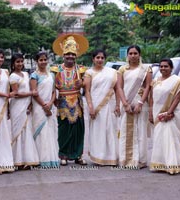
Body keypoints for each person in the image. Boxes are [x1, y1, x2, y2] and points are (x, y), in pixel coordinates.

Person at [149, 58, 180, 174]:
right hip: (157, 112)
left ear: (171, 68)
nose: (163, 68)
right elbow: (152, 98)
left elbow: (177, 98)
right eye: (161, 66)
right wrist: (150, 112)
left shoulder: (177, 81)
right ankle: (160, 164)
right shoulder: (155, 81)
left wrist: (169, 113)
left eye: (166, 66)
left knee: (170, 139)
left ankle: (172, 165)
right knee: (159, 139)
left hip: (170, 114)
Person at [51, 34, 88, 166]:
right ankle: (64, 155)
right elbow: (51, 87)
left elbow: (89, 84)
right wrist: (53, 99)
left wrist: (82, 83)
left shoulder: (82, 70)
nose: (70, 57)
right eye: (68, 54)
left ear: (76, 55)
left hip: (77, 102)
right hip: (62, 102)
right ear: (63, 55)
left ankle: (78, 155)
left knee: (78, 130)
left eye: (73, 54)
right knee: (64, 130)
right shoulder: (56, 69)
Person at [117, 45, 152, 168]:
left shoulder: (146, 69)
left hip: (140, 102)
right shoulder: (122, 69)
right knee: (125, 130)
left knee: (140, 130)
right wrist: (125, 104)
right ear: (127, 55)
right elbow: (119, 87)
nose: (133, 56)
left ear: (139, 55)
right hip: (126, 102)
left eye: (135, 53)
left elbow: (148, 86)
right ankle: (125, 160)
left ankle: (140, 160)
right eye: (130, 53)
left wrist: (141, 103)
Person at [84, 49, 120, 166]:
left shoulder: (112, 72)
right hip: (95, 105)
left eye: (102, 58)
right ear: (93, 59)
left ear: (105, 59)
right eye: (97, 57)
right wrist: (90, 106)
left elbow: (117, 90)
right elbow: (87, 91)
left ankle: (111, 157)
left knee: (110, 130)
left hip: (109, 105)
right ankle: (98, 157)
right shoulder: (89, 73)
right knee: (97, 131)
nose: (100, 60)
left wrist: (118, 105)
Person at [9, 53, 39, 169]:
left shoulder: (26, 74)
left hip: (26, 105)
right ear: (13, 63)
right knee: (18, 132)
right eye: (17, 62)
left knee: (27, 131)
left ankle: (27, 160)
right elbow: (15, 94)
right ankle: (18, 161)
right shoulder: (13, 77)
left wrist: (31, 102)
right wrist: (31, 94)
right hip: (17, 107)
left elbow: (29, 89)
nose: (20, 64)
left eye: (21, 61)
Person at [30, 51, 59, 168]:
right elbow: (34, 93)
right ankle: (40, 159)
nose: (43, 62)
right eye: (41, 60)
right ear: (37, 62)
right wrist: (44, 106)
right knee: (41, 131)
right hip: (38, 107)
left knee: (50, 131)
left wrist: (50, 104)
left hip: (50, 106)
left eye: (45, 59)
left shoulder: (51, 75)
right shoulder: (34, 76)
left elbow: (53, 92)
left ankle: (51, 158)